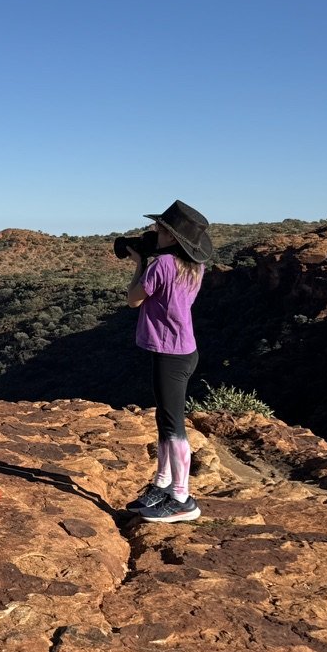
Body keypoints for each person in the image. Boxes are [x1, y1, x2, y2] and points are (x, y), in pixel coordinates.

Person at [123, 200, 212, 523]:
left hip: (170, 353)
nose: (154, 231)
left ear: (172, 237)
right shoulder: (193, 266)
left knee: (173, 426)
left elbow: (133, 300)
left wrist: (139, 263)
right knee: (165, 420)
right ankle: (162, 484)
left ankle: (181, 497)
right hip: (183, 351)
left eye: (160, 228)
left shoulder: (161, 266)